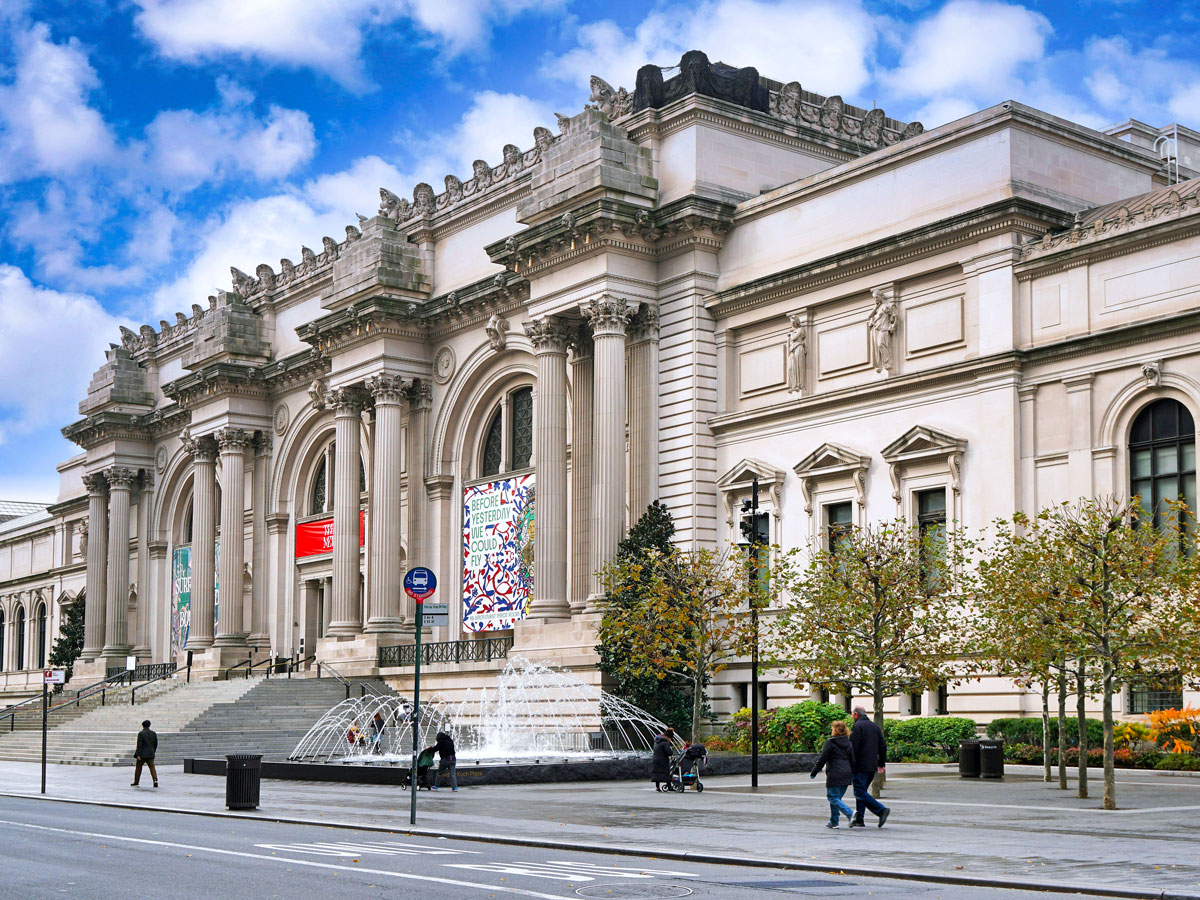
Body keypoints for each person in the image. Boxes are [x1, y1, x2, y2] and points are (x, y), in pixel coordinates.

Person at [849, 706, 891, 828]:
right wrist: (881, 763)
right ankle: (860, 819)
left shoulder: (857, 727)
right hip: (871, 766)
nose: (852, 717)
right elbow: (883, 746)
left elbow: (853, 748)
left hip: (859, 766)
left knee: (859, 791)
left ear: (856, 714)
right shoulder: (874, 726)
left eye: (852, 715)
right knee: (861, 791)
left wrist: (850, 763)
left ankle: (881, 810)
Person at [810, 720, 855, 828]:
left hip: (835, 773)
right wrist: (853, 773)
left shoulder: (830, 742)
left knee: (832, 797)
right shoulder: (848, 743)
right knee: (836, 798)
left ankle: (850, 813)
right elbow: (853, 760)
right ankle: (834, 822)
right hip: (846, 773)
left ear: (834, 730)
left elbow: (822, 759)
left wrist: (814, 772)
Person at [131, 720, 158, 788]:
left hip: (142, 755)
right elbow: (155, 744)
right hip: (151, 754)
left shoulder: (141, 733)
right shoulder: (153, 733)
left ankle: (136, 782)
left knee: (138, 768)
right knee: (152, 768)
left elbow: (139, 745)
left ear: (142, 725)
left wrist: (138, 754)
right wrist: (153, 751)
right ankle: (155, 780)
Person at [651, 727, 675, 791]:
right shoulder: (665, 743)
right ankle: (669, 786)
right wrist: (671, 752)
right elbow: (668, 752)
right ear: (668, 737)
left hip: (655, 759)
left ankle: (657, 787)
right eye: (670, 738)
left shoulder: (657, 741)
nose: (670, 739)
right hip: (662, 760)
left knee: (657, 773)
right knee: (666, 772)